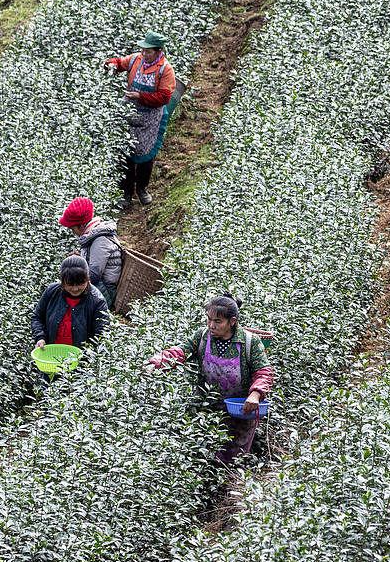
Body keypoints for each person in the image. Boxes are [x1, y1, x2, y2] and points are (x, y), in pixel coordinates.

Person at [146, 294, 274, 465]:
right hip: (205, 408)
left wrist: (255, 395)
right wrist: (157, 363)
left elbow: (264, 372)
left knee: (231, 462)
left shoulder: (250, 342)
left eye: (218, 321)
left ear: (232, 321)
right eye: (209, 319)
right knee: (198, 458)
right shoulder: (203, 336)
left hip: (240, 412)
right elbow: (181, 351)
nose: (211, 325)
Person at [105, 31, 176, 208]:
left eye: (148, 51)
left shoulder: (165, 70)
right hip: (130, 112)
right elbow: (120, 63)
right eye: (143, 50)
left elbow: (164, 97)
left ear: (158, 52)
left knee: (145, 155)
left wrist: (140, 96)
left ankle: (142, 189)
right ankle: (126, 193)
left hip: (150, 118)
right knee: (126, 153)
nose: (144, 53)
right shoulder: (135, 59)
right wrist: (111, 64)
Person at [30, 255, 110, 363]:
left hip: (79, 363)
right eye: (70, 284)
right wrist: (40, 337)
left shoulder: (97, 301)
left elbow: (102, 334)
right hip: (51, 357)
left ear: (87, 279)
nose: (75, 289)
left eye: (80, 283)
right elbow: (37, 316)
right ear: (62, 281)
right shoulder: (52, 292)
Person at [58, 197, 125, 308]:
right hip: (101, 287)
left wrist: (77, 264)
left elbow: (93, 277)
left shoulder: (101, 241)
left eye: (73, 228)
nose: (73, 232)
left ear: (82, 225)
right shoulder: (93, 236)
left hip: (105, 293)